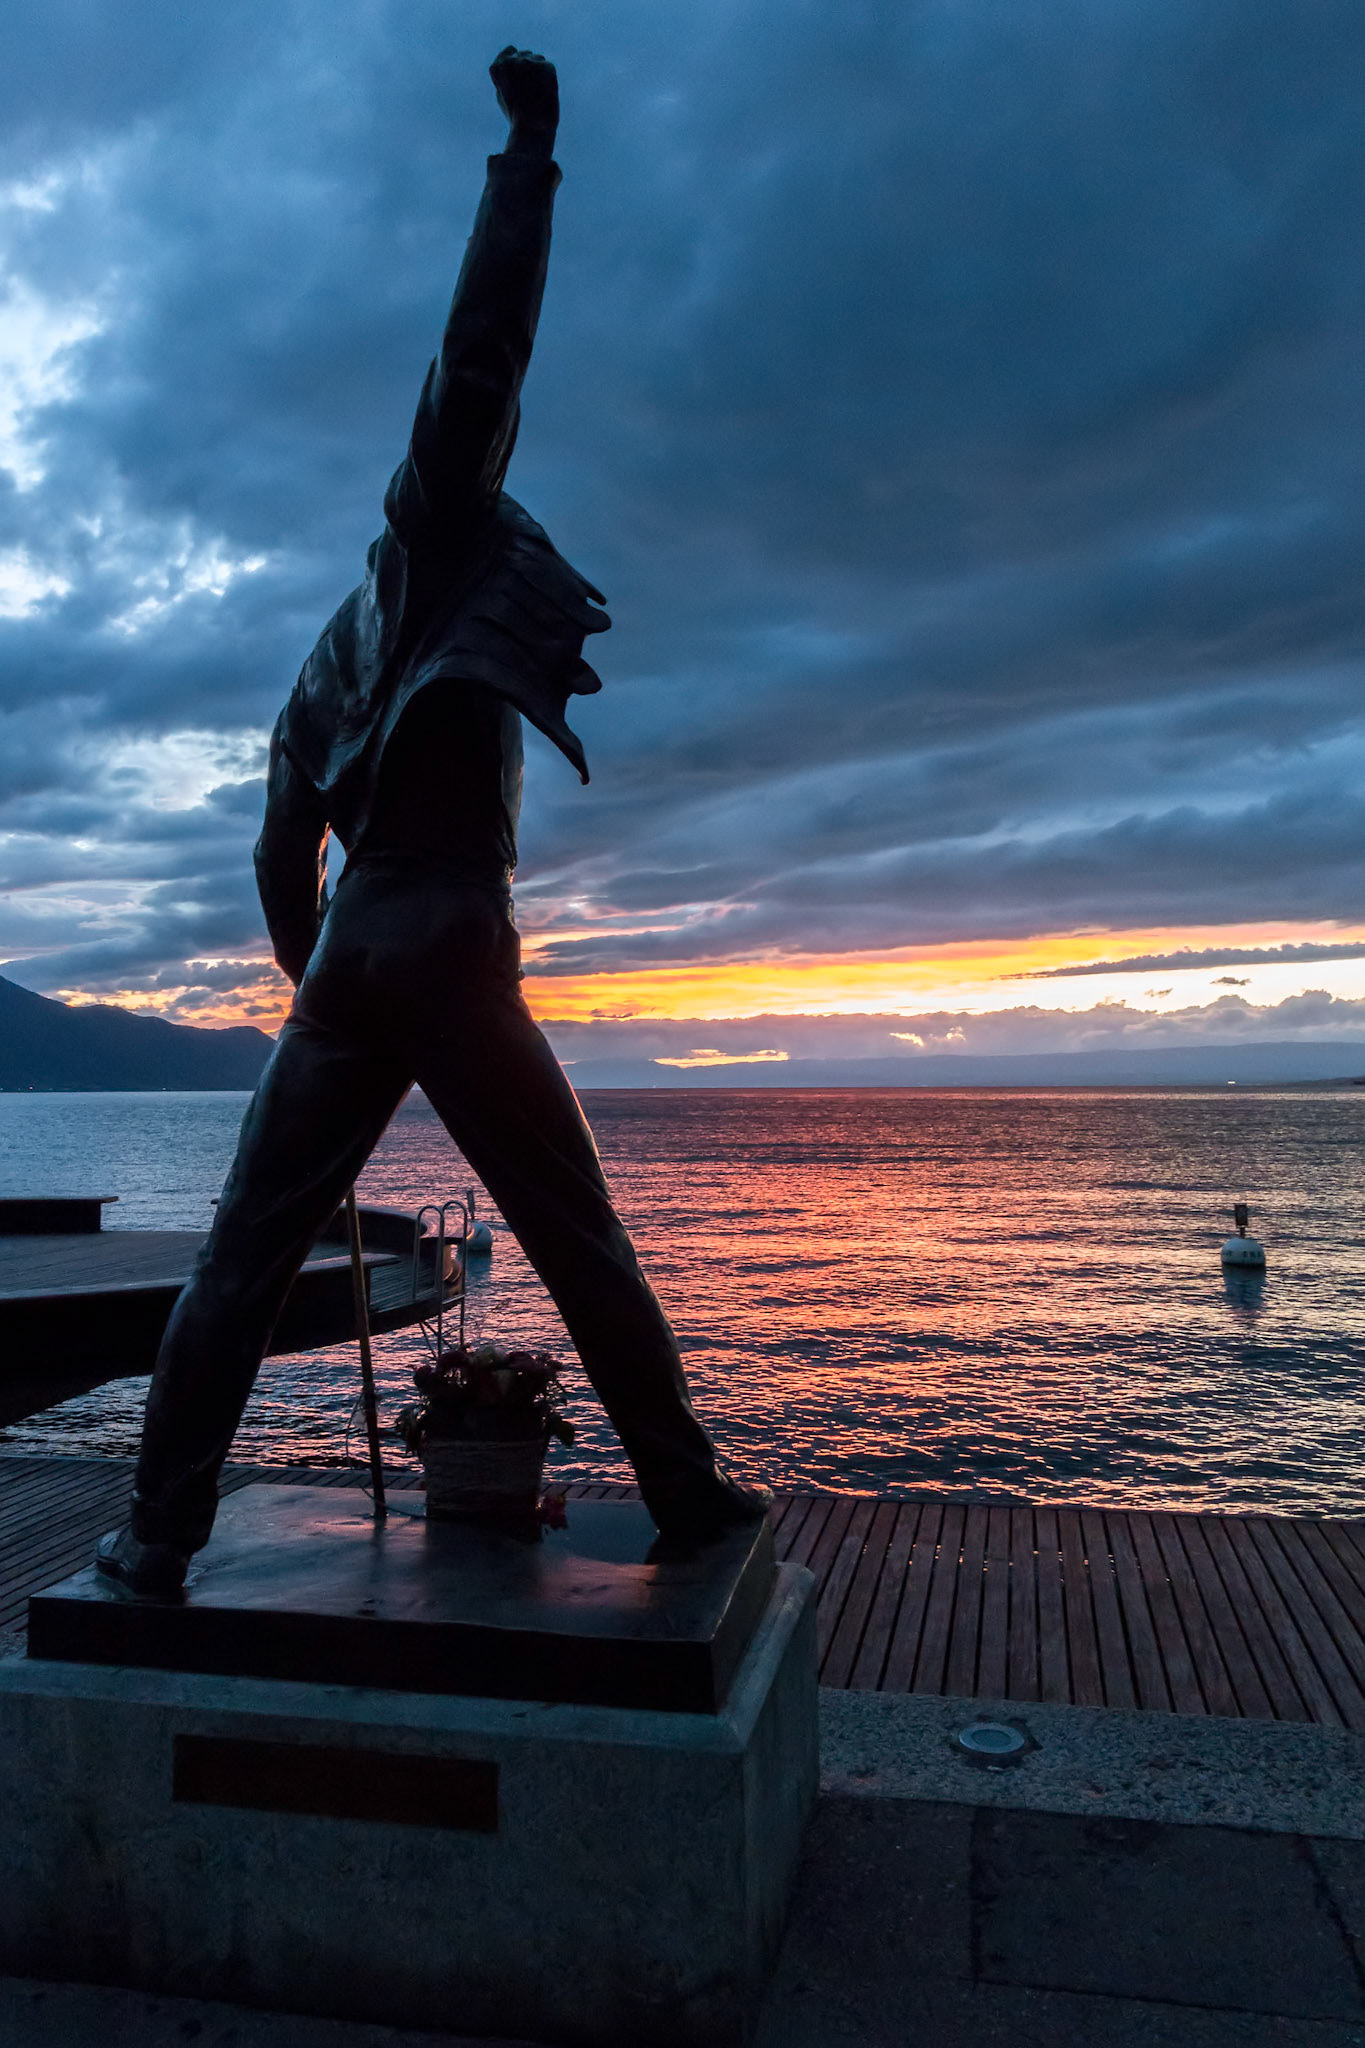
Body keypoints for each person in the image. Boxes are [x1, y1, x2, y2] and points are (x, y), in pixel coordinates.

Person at [98, 47, 767, 1597]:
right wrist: (526, 156)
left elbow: (278, 857)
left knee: (240, 1258)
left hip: (348, 958)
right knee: (574, 1231)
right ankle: (682, 1495)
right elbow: (483, 353)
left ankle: (151, 1538)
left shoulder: (314, 672)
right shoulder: (440, 531)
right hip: (452, 936)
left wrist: (319, 984)